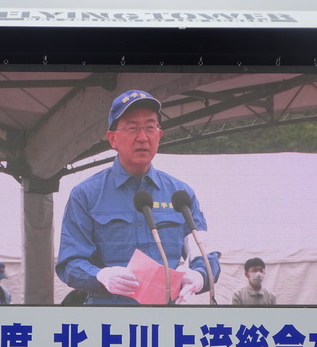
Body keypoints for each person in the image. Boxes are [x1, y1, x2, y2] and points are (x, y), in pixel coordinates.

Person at [55, 89, 221, 305]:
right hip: (107, 320)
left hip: (165, 322)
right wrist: (100, 276)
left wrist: (199, 275)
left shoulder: (181, 194)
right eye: (132, 128)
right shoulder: (86, 195)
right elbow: (69, 264)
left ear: (159, 136)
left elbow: (206, 254)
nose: (143, 137)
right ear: (112, 139)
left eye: (150, 127)